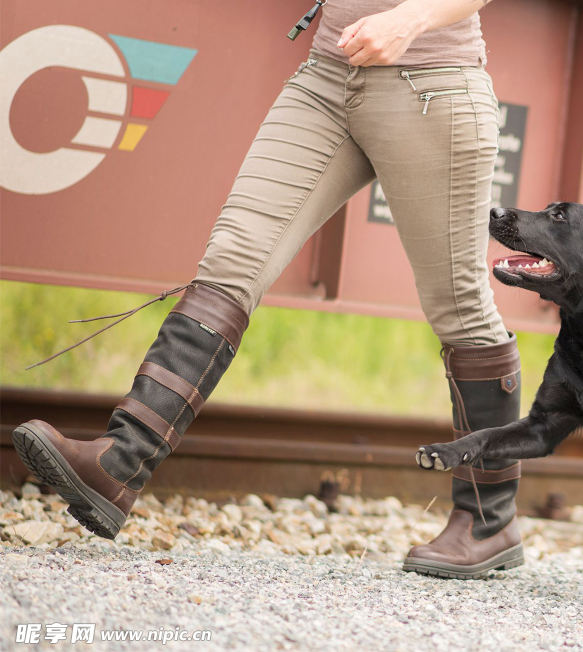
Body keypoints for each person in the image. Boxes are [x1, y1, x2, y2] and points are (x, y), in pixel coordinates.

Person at [13, 0, 525, 579]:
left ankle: (488, 521)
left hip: (430, 86)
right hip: (327, 76)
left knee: (457, 306)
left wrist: (410, 19)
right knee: (234, 259)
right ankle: (120, 461)